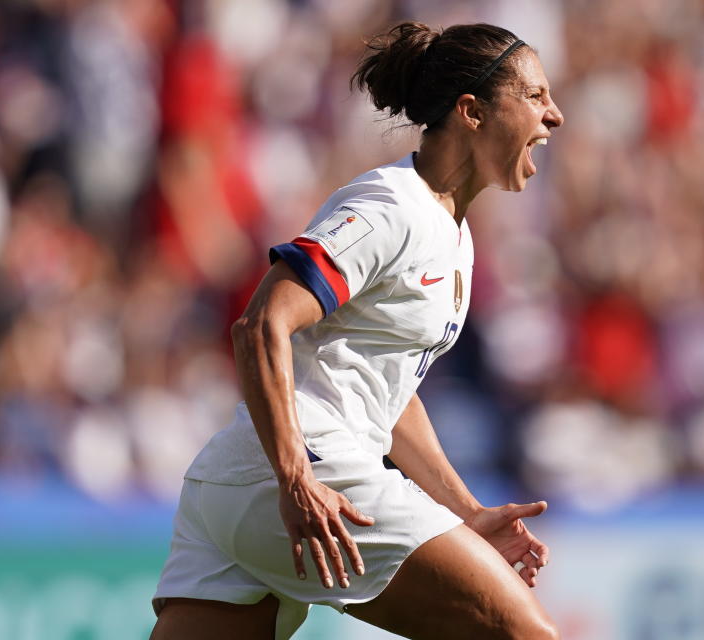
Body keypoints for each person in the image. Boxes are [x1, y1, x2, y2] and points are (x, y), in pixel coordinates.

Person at [150, 21, 564, 640]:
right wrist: (295, 478)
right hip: (298, 469)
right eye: (535, 96)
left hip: (244, 477)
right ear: (472, 112)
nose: (554, 115)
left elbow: (384, 393)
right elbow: (260, 324)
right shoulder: (389, 207)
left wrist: (467, 512)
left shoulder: (453, 232)